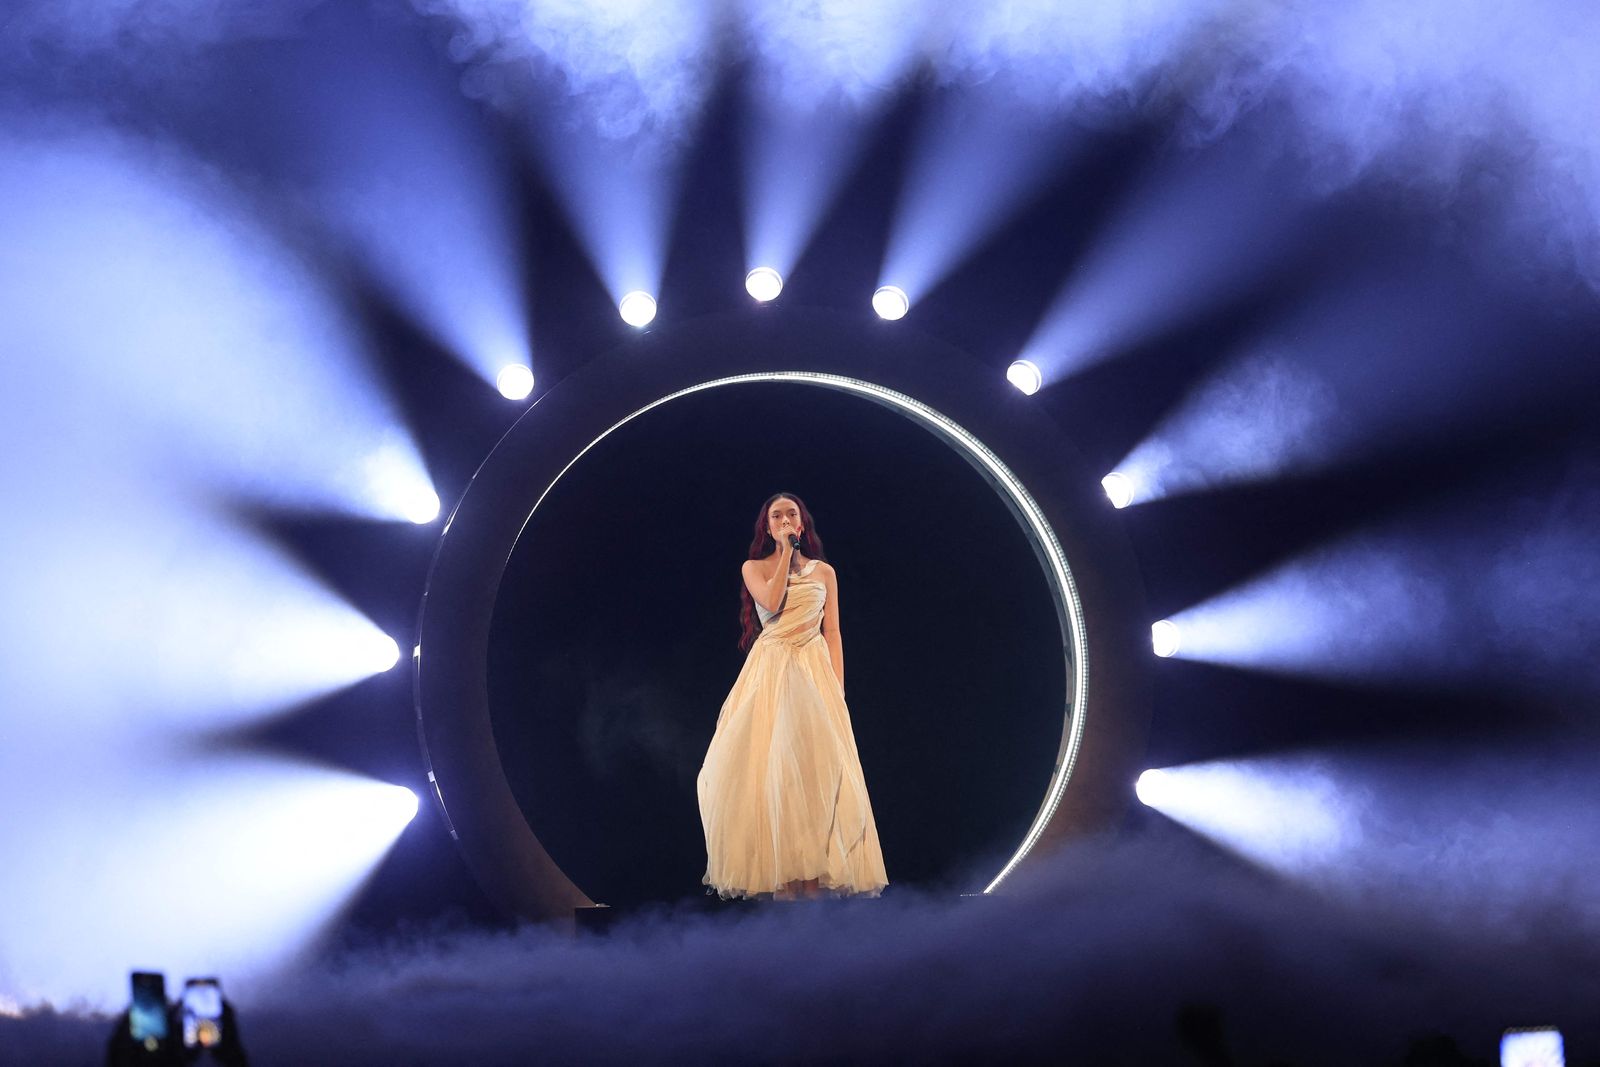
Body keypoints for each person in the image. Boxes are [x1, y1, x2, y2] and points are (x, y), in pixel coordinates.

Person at [697, 492, 888, 900]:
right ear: (768, 528)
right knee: (775, 774)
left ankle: (815, 890)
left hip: (814, 673)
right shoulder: (754, 567)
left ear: (802, 525)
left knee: (817, 773)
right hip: (773, 674)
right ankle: (786, 894)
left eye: (792, 515)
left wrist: (837, 689)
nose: (785, 520)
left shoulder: (825, 573)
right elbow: (771, 600)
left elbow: (832, 632)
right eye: (776, 516)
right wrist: (784, 554)